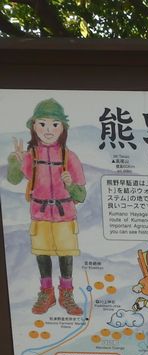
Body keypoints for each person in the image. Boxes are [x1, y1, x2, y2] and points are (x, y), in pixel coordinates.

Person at [6, 99, 86, 316]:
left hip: (65, 215)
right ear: (34, 127)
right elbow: (13, 179)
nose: (48, 130)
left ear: (63, 128)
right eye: (42, 124)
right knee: (42, 254)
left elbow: (81, 195)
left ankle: (66, 294)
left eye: (54, 124)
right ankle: (46, 293)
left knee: (65, 255)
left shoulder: (70, 157)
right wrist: (15, 161)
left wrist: (71, 185)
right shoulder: (30, 156)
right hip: (40, 214)